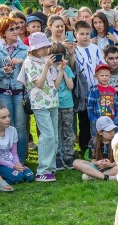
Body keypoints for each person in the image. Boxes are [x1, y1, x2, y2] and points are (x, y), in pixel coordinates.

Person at [18, 32, 62, 182]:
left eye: (46, 47)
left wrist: (61, 70)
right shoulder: (29, 62)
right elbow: (39, 83)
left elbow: (55, 84)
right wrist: (46, 66)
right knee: (47, 135)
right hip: (39, 104)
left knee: (54, 137)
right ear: (34, 49)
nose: (45, 50)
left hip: (53, 102)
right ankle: (42, 170)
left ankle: (50, 168)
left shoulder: (46, 60)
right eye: (42, 47)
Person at [0, 16, 28, 164]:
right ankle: (7, 159)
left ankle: (21, 160)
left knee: (20, 127)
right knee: (7, 126)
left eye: (17, 28)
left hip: (19, 92)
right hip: (3, 93)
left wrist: (23, 63)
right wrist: (3, 71)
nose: (16, 31)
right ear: (3, 33)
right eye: (11, 29)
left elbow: (32, 72)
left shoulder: (25, 50)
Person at [74, 20, 106, 153]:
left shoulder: (95, 48)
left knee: (97, 117)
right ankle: (84, 146)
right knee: (83, 120)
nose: (85, 36)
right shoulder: (74, 50)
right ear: (75, 34)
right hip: (81, 90)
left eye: (87, 33)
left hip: (96, 89)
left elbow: (102, 65)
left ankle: (98, 146)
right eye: (81, 34)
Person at [0, 104, 34, 184]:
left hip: (12, 162)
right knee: (18, 177)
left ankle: (11, 176)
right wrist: (12, 166)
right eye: (3, 117)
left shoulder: (12, 130)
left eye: (8, 116)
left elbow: (14, 152)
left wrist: (17, 163)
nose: (8, 120)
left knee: (29, 176)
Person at [50, 42, 75, 170]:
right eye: (56, 56)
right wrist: (59, 71)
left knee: (68, 131)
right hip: (55, 104)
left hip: (67, 104)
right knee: (56, 131)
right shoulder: (50, 69)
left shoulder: (67, 69)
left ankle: (68, 156)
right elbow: (55, 86)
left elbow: (70, 86)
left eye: (61, 55)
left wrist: (64, 70)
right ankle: (58, 156)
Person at [73, 116, 118, 181]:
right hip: (98, 167)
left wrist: (110, 164)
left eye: (113, 130)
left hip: (112, 167)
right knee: (76, 162)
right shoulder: (93, 142)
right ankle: (106, 177)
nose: (112, 133)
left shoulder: (117, 141)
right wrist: (98, 163)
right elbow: (93, 160)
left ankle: (94, 176)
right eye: (109, 131)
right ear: (100, 132)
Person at [88, 63, 118, 137]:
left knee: (112, 138)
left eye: (107, 75)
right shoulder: (93, 90)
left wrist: (116, 118)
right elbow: (90, 107)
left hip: (111, 121)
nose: (104, 77)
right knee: (97, 140)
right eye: (102, 75)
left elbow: (117, 105)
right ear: (96, 77)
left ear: (110, 76)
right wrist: (93, 120)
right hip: (98, 121)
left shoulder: (112, 90)